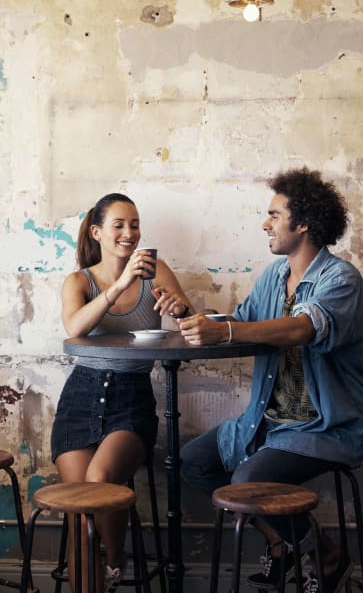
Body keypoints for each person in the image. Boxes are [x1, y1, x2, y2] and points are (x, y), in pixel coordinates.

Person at [177, 167, 363, 593]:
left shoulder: (341, 280)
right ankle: (285, 545)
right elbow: (244, 323)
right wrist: (191, 317)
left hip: (326, 428)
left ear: (302, 223)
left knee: (248, 480)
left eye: (273, 214)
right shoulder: (273, 277)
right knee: (192, 460)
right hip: (267, 423)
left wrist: (224, 330)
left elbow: (301, 329)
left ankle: (325, 554)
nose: (264, 223)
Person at [51, 193, 194, 593]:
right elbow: (74, 329)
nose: (129, 233)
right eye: (119, 225)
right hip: (81, 397)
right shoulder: (79, 281)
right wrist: (120, 284)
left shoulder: (157, 271)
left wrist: (181, 309)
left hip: (131, 398)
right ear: (97, 232)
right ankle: (98, 575)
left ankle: (115, 562)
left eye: (134, 224)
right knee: (80, 516)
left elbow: (193, 328)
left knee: (98, 479)